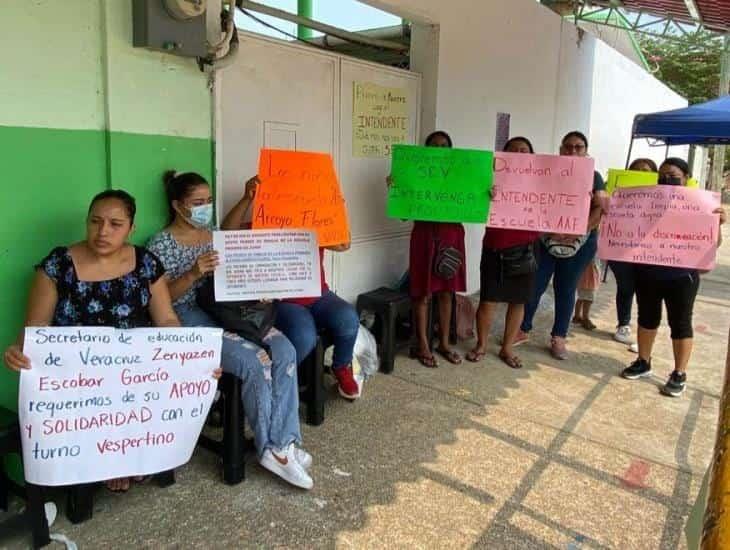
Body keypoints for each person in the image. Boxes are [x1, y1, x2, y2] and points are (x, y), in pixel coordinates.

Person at [2, 190, 221, 493]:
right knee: (88, 394)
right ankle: (110, 458)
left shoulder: (145, 264)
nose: (103, 231)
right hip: (79, 380)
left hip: (135, 373)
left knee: (148, 386)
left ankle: (129, 451)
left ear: (131, 228)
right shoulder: (57, 266)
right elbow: (36, 326)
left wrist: (196, 359)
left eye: (115, 224)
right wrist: (18, 349)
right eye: (95, 221)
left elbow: (167, 320)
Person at [148, 171, 314, 489]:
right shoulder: (160, 244)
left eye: (208, 201)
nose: (205, 207)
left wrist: (247, 198)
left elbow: (229, 233)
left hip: (227, 311)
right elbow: (160, 300)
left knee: (285, 349)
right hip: (188, 318)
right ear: (177, 205)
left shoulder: (209, 233)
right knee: (254, 361)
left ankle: (285, 441)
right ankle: (273, 450)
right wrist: (194, 273)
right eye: (197, 202)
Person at [221, 176, 361, 401]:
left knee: (348, 318)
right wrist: (246, 199)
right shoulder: (263, 224)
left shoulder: (315, 225)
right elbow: (226, 233)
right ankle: (280, 383)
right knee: (304, 337)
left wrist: (337, 210)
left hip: (319, 294)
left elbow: (344, 244)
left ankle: (341, 366)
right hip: (284, 301)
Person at [621, 158, 726, 397]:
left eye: (673, 175)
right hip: (648, 271)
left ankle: (679, 373)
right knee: (647, 318)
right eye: (662, 175)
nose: (666, 179)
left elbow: (714, 243)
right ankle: (643, 362)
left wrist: (716, 223)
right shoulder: (647, 200)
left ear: (686, 177)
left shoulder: (700, 204)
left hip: (682, 276)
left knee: (680, 323)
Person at [516, 131, 606, 360]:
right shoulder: (548, 172)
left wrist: (577, 229)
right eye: (568, 147)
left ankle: (559, 337)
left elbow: (600, 208)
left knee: (565, 288)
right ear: (560, 149)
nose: (573, 151)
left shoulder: (594, 176)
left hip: (581, 242)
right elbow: (535, 201)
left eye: (578, 147)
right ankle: (523, 328)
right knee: (535, 284)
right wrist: (548, 228)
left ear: (586, 150)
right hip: (546, 238)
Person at [389, 130, 466, 368]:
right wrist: (396, 190)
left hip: (451, 238)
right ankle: (422, 343)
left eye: (444, 146)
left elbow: (473, 206)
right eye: (434, 145)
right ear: (426, 150)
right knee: (421, 293)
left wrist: (486, 195)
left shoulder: (460, 177)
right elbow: (403, 215)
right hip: (423, 237)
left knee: (446, 292)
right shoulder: (416, 176)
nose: (439, 149)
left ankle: (443, 342)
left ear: (450, 150)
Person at [466, 137, 540, 369]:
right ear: (503, 155)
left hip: (527, 247)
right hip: (495, 246)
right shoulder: (489, 177)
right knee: (489, 299)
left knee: (518, 301)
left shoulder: (541, 182)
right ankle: (481, 345)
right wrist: (484, 194)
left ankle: (507, 348)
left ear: (531, 155)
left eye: (524, 150)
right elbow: (470, 203)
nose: (519, 153)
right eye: (513, 150)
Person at [610, 158, 658, 350]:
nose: (641, 173)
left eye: (646, 171)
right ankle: (624, 324)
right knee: (625, 287)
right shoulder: (619, 192)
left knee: (647, 293)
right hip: (621, 249)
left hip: (651, 253)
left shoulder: (663, 195)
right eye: (636, 170)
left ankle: (643, 334)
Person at [572, 258, 601, 331]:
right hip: (589, 276)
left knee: (581, 297)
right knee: (589, 299)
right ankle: (585, 318)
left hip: (583, 275)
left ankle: (577, 316)